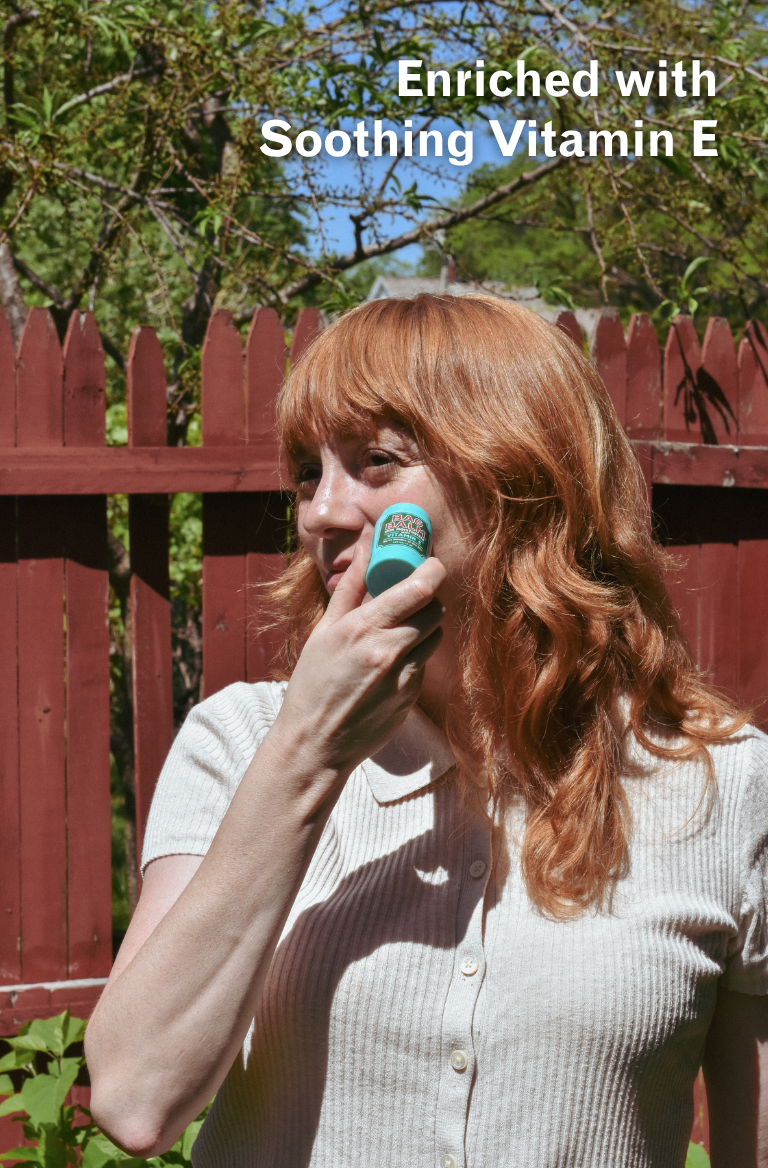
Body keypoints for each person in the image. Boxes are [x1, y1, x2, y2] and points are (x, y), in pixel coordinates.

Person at [86, 294, 768, 1168]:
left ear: (520, 477)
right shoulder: (240, 742)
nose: (320, 512)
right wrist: (307, 754)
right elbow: (136, 1102)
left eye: (376, 462)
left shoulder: (719, 784)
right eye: (307, 472)